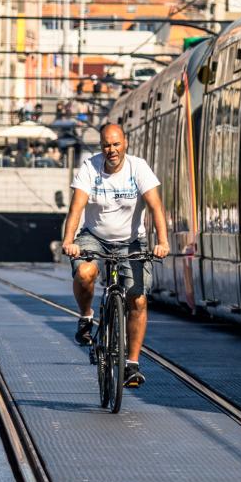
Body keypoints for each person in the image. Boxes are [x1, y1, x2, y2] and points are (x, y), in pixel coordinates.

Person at [60, 123, 171, 389]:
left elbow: (155, 207)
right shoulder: (90, 167)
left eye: (116, 144)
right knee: (86, 273)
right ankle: (86, 316)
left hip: (131, 241)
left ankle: (131, 364)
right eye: (107, 145)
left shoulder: (138, 168)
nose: (112, 150)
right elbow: (76, 208)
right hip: (94, 237)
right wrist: (69, 240)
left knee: (138, 299)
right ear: (101, 147)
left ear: (125, 144)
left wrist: (163, 242)